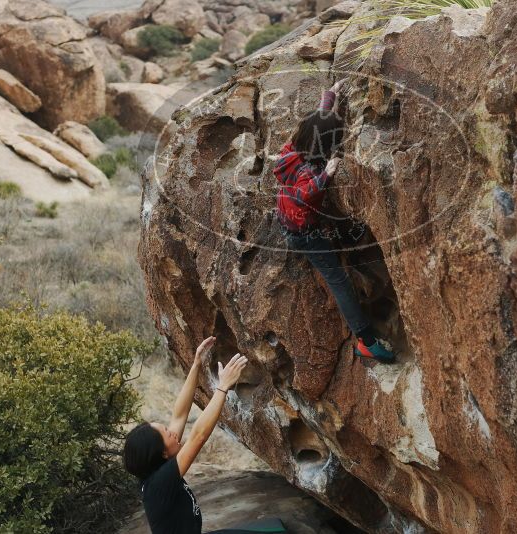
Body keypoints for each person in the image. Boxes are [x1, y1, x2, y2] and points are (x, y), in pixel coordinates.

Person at [274, 79, 395, 364]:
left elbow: (317, 127)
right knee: (338, 281)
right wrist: (326, 174)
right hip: (305, 233)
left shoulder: (290, 148)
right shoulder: (309, 170)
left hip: (290, 220)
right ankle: (366, 341)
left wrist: (330, 96)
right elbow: (305, 194)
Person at [123, 336, 248, 534]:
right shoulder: (159, 483)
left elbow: (179, 415)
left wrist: (196, 363)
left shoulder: (158, 463)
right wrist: (223, 387)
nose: (173, 433)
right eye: (167, 433)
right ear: (162, 453)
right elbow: (198, 436)